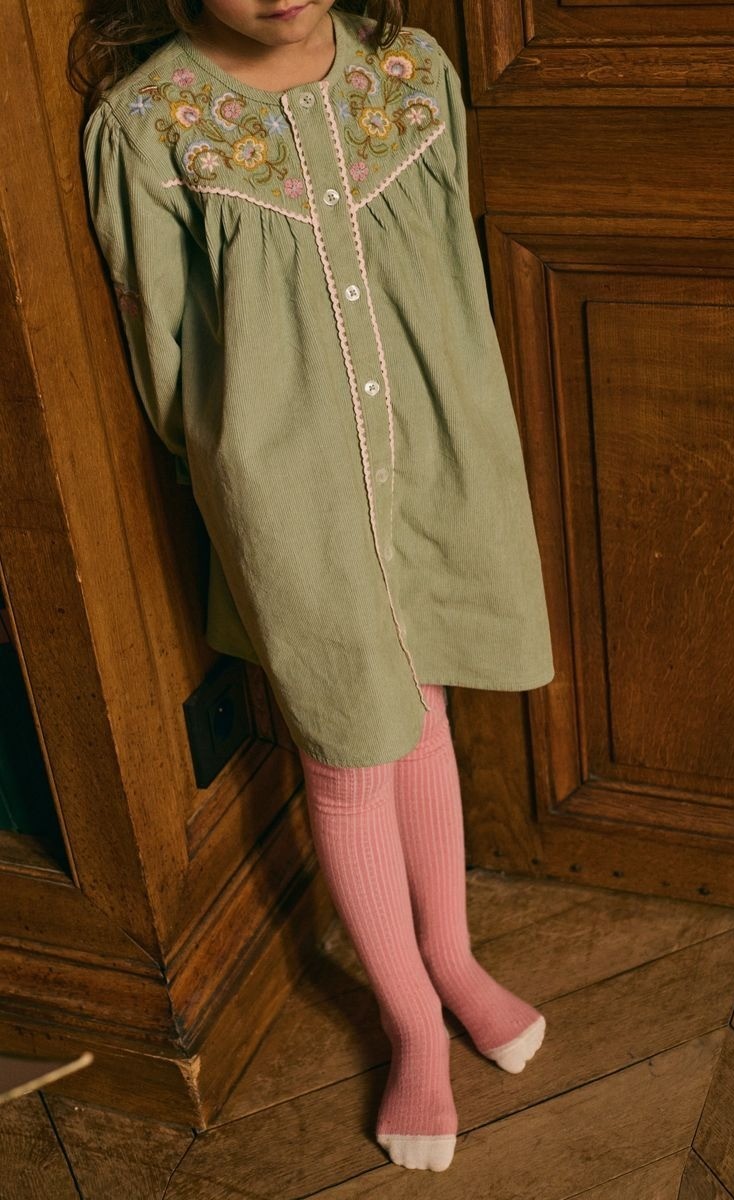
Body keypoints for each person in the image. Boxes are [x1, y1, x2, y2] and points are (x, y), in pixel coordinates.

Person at [73, 0, 554, 1172]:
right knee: (344, 744)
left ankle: (451, 958)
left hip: (432, 456)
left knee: (422, 707)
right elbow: (167, 355)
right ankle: (409, 1024)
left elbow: (448, 263)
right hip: (289, 491)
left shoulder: (411, 72)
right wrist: (252, 487)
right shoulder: (149, 122)